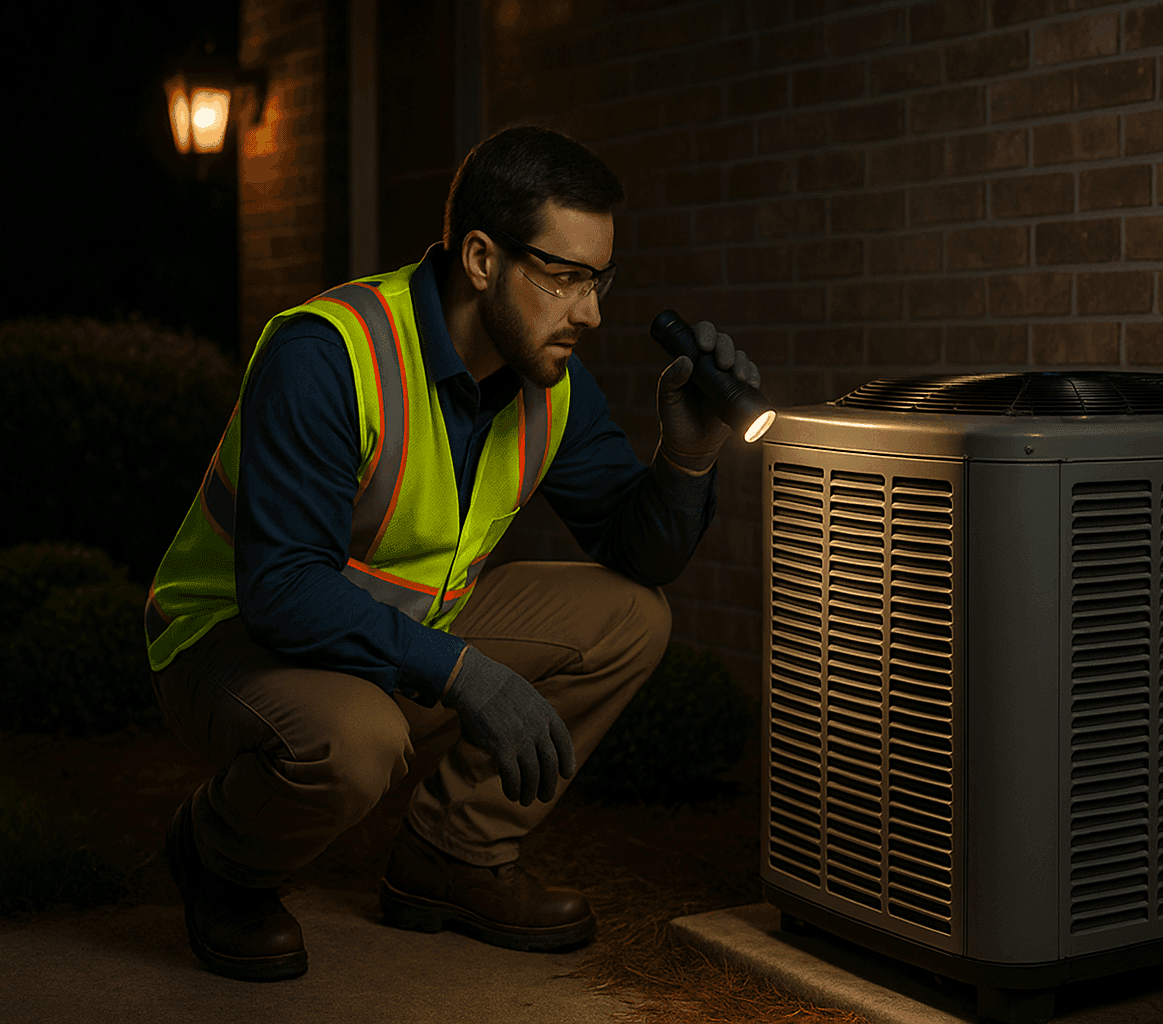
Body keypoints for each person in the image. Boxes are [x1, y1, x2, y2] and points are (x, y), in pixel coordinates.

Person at [143, 124, 761, 982]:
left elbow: (637, 555)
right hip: (230, 639)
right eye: (566, 278)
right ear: (481, 259)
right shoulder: (329, 353)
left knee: (630, 616)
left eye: (601, 279)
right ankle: (220, 861)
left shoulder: (552, 383)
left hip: (399, 640)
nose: (592, 311)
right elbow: (282, 590)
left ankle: (450, 857)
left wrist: (686, 457)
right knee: (357, 738)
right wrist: (468, 674)